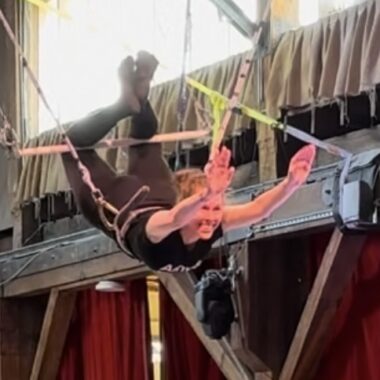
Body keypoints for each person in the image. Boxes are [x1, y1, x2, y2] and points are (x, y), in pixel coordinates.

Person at [61, 51, 316, 272]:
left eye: (213, 210)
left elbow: (175, 219)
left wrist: (209, 196)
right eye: (212, 209)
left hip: (121, 203)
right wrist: (291, 183)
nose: (212, 218)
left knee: (107, 145)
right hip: (150, 192)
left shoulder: (156, 234)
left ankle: (134, 97)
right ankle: (134, 98)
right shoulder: (203, 224)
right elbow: (257, 210)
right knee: (130, 143)